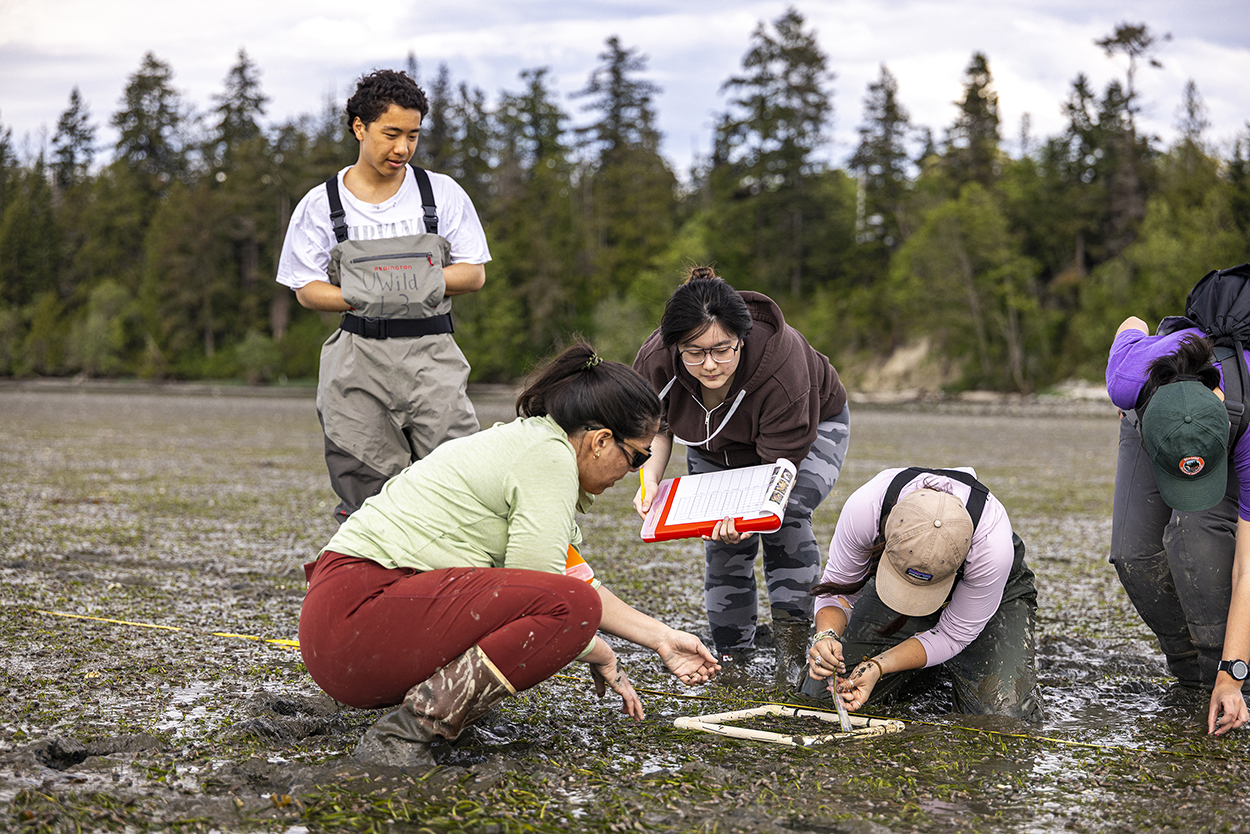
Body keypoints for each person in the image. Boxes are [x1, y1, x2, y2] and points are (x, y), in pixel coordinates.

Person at [298, 343, 721, 766]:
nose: (633, 473)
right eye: (637, 457)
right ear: (600, 441)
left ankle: (437, 715)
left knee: (573, 604)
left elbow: (572, 583)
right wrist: (597, 648)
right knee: (572, 609)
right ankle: (405, 733)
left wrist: (661, 638)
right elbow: (561, 602)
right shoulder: (548, 458)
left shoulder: (535, 444)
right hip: (356, 624)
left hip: (343, 629)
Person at [276, 69, 490, 524]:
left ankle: (457, 585)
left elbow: (473, 273)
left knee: (463, 480)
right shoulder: (320, 204)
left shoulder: (441, 193)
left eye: (412, 135)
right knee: (366, 489)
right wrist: (365, 297)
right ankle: (377, 587)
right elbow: (305, 288)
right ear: (360, 127)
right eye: (391, 134)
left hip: (433, 354)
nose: (403, 149)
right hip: (357, 357)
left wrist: (406, 285)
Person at [632, 266, 850, 688]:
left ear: (741, 338)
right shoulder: (655, 361)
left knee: (784, 520)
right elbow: (653, 429)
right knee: (719, 539)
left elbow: (776, 480)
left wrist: (749, 515)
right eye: (693, 353)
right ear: (674, 346)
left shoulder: (781, 365)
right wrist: (651, 481)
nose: (709, 364)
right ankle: (733, 654)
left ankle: (793, 654)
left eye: (722, 350)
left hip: (806, 433)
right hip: (714, 444)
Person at [802, 467, 1042, 722]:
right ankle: (927, 669)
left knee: (1001, 716)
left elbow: (953, 635)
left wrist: (881, 665)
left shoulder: (993, 551)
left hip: (995, 592)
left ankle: (948, 664)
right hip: (894, 583)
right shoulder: (866, 507)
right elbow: (837, 590)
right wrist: (827, 635)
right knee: (825, 695)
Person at [1106, 315, 1250, 736]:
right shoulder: (1127, 378)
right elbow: (1132, 322)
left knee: (1194, 536)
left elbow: (1247, 569)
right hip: (1150, 416)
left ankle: (1219, 679)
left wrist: (1233, 671)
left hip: (1240, 422)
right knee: (1131, 553)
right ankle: (1189, 676)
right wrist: (1125, 400)